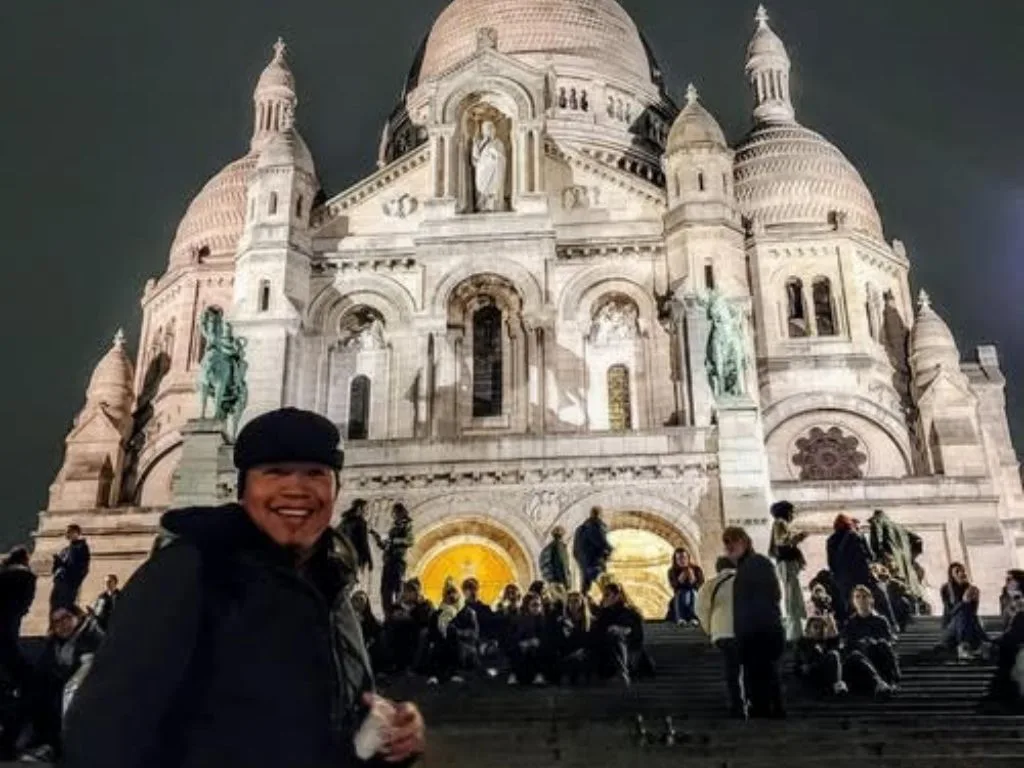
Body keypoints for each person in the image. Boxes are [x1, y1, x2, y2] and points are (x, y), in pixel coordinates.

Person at [61, 407, 425, 768]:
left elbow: (323, 728)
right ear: (242, 490)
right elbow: (102, 733)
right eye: (275, 472)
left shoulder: (331, 588)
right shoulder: (189, 571)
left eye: (315, 473)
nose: (296, 489)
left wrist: (386, 739)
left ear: (335, 490)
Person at [13, 605, 104, 762]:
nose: (61, 625)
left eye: (66, 618)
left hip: (87, 690)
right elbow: (43, 668)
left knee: (55, 697)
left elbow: (86, 671)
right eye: (56, 622)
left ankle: (54, 747)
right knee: (33, 691)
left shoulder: (92, 637)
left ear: (79, 617)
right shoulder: (55, 642)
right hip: (59, 687)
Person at [723, 525, 785, 719]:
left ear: (744, 542)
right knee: (760, 675)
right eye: (727, 545)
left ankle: (770, 711)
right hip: (754, 630)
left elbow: (774, 594)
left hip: (760, 630)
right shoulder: (748, 566)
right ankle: (767, 710)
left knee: (762, 675)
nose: (729, 548)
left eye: (733, 543)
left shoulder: (757, 563)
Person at [696, 556, 742, 717]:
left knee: (732, 669)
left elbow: (701, 609)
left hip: (723, 632)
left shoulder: (710, 585)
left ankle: (737, 705)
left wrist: (710, 630)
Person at [842, 585, 900, 689]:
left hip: (877, 653)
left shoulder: (881, 620)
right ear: (853, 601)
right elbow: (848, 643)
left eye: (864, 597)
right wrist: (860, 643)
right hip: (861, 657)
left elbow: (887, 639)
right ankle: (878, 682)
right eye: (857, 597)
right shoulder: (850, 623)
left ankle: (891, 680)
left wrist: (874, 641)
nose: (861, 600)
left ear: (871, 600)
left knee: (882, 645)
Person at [591, 582, 646, 686]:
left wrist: (619, 629)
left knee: (614, 636)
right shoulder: (604, 613)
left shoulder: (629, 612)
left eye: (607, 595)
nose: (604, 598)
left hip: (628, 650)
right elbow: (597, 631)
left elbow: (633, 632)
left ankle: (622, 673)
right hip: (608, 651)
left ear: (618, 596)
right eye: (604, 595)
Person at [425, 582, 479, 686]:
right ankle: (435, 676)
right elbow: (432, 633)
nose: (451, 596)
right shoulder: (438, 614)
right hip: (443, 644)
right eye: (448, 593)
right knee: (438, 646)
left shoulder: (469, 613)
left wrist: (457, 632)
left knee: (454, 644)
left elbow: (473, 634)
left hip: (463, 645)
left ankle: (454, 673)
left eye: (453, 592)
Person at [768, 501, 807, 642]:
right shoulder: (780, 523)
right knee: (792, 597)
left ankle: (796, 629)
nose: (793, 515)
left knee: (794, 595)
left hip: (787, 564)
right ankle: (794, 632)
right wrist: (798, 537)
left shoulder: (781, 524)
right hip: (786, 564)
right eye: (792, 511)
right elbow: (782, 542)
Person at [0, 547, 36, 692]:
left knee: (7, 649)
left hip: (4, 615)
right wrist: (22, 611)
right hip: (12, 616)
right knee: (10, 647)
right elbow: (27, 599)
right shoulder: (28, 576)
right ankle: (24, 681)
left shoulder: (4, 574)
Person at [867, 509, 923, 601]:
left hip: (891, 558)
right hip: (905, 559)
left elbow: (877, 541)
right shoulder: (899, 527)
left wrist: (878, 555)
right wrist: (911, 556)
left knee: (894, 584)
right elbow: (918, 540)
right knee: (909, 584)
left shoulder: (878, 521)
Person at [372, 503, 415, 613]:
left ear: (401, 513)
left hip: (398, 560)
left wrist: (394, 541)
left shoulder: (407, 525)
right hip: (388, 560)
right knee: (385, 589)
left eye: (395, 512)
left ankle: (398, 607)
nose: (393, 515)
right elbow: (386, 545)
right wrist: (377, 539)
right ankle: (387, 611)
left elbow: (410, 540)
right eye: (393, 513)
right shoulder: (394, 528)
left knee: (397, 586)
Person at [794, 615, 847, 696]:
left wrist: (832, 624)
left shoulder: (827, 641)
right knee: (833, 655)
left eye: (822, 627)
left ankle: (873, 682)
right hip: (812, 672)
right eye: (815, 627)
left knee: (855, 655)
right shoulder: (803, 642)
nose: (819, 630)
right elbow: (807, 661)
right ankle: (837, 687)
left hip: (828, 672)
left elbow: (840, 649)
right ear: (808, 629)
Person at [508, 592, 550, 686]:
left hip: (538, 648)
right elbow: (513, 637)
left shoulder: (544, 620)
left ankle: (539, 675)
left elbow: (546, 637)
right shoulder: (519, 619)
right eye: (534, 605)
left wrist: (538, 641)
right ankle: (514, 674)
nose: (537, 608)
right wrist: (524, 643)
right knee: (516, 650)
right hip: (523, 648)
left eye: (538, 605)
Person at [573, 507, 613, 598]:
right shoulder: (594, 525)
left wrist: (581, 561)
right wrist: (610, 550)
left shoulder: (580, 529)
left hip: (584, 564)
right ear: (599, 514)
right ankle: (609, 606)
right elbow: (600, 542)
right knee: (608, 587)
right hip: (595, 562)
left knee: (585, 589)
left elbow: (575, 551)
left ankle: (584, 605)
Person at [554, 591, 592, 685]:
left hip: (583, 654)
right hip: (568, 655)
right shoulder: (562, 621)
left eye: (576, 601)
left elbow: (590, 640)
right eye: (570, 602)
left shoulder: (590, 621)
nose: (573, 604)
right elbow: (560, 642)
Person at [50, 524, 90, 610]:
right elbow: (57, 567)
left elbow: (82, 567)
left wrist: (74, 581)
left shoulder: (81, 547)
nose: (66, 534)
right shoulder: (65, 550)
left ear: (76, 533)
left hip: (70, 583)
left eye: (69, 532)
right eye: (66, 532)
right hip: (59, 582)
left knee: (66, 607)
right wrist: (57, 563)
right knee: (55, 605)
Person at [339, 499, 374, 583]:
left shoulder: (344, 521)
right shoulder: (360, 522)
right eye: (366, 509)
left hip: (343, 556)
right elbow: (364, 543)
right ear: (360, 508)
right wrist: (369, 560)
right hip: (354, 557)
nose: (367, 511)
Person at [667, 548, 704, 626]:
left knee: (692, 592)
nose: (682, 560)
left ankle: (694, 617)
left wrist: (692, 578)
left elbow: (700, 586)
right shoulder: (672, 571)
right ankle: (680, 618)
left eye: (684, 557)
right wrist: (681, 579)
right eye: (679, 558)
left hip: (694, 596)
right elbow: (675, 587)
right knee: (681, 592)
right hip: (680, 598)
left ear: (688, 558)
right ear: (675, 560)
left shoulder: (696, 569)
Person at [351, 590, 384, 673]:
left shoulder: (369, 619)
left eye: (361, 600)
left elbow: (375, 631)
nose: (358, 603)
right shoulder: (348, 617)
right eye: (356, 600)